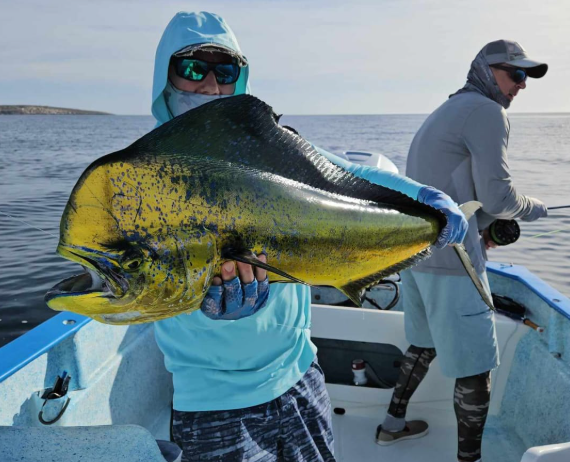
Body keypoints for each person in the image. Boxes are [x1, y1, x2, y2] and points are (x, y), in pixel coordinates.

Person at [149, 11, 468, 462]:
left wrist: (421, 196)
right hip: (214, 404)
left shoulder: (267, 144)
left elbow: (344, 174)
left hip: (301, 375)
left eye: (225, 71)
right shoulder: (146, 174)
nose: (210, 85)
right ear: (165, 76)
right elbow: (145, 279)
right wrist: (200, 310)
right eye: (193, 69)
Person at [374, 40, 550, 462]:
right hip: (456, 263)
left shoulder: (448, 109)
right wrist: (535, 209)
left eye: (527, 77)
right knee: (475, 369)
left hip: (416, 254)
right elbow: (500, 194)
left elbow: (452, 190)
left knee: (425, 344)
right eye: (516, 74)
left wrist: (484, 226)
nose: (522, 86)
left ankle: (391, 428)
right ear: (488, 72)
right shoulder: (489, 112)